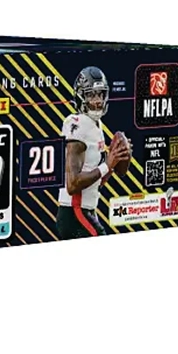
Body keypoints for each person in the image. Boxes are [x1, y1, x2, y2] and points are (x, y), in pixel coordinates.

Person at [56, 66, 130, 239]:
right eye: (91, 95)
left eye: (100, 94)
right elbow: (72, 184)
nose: (97, 101)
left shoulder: (96, 125)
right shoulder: (77, 124)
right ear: (80, 96)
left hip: (86, 210)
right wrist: (107, 165)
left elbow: (96, 182)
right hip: (74, 211)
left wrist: (115, 160)